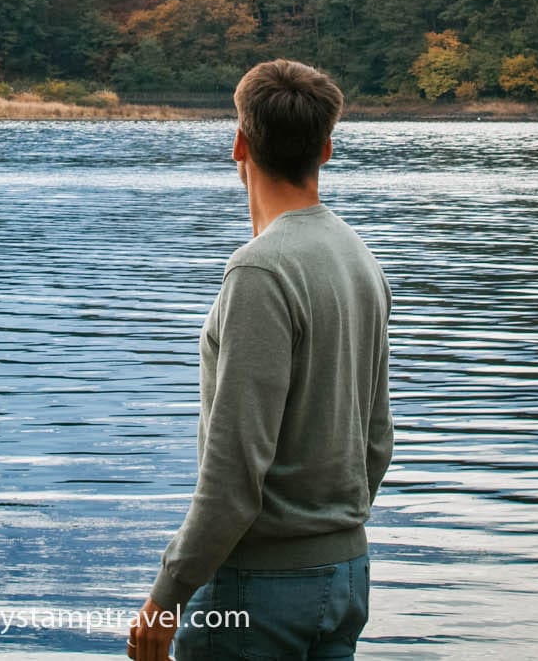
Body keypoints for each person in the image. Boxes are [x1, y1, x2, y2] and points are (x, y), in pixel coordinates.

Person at [128, 59, 392, 661]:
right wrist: (330, 535)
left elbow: (232, 478)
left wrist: (165, 599)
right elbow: (377, 441)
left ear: (239, 143)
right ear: (326, 149)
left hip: (257, 594)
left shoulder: (260, 272)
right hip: (347, 576)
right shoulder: (360, 259)